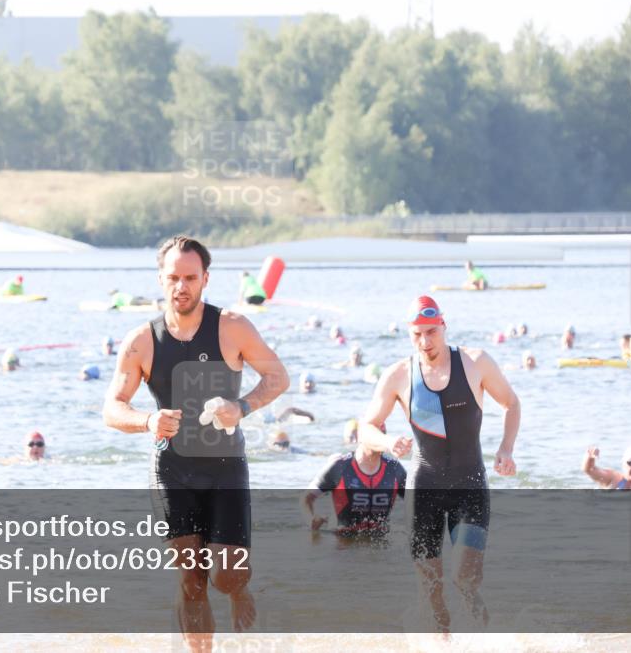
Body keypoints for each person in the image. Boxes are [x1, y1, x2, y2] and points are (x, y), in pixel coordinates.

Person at [102, 236, 289, 650]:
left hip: (225, 468)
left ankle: (240, 589)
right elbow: (112, 409)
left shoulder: (233, 327)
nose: (181, 287)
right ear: (160, 279)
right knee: (190, 578)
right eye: (173, 278)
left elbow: (278, 378)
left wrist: (241, 406)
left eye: (190, 277)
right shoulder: (142, 341)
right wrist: (148, 419)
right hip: (172, 470)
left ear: (206, 278)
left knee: (226, 574)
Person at [357, 295, 520, 633]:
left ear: (443, 326)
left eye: (431, 332)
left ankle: (484, 640)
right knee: (430, 589)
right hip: (424, 489)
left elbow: (511, 403)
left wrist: (506, 449)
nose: (425, 342)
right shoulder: (398, 374)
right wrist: (388, 442)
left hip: (469, 487)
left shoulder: (475, 362)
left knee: (465, 578)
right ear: (409, 334)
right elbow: (366, 427)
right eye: (417, 335)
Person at [302, 426, 407, 537]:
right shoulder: (339, 467)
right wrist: (311, 520)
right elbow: (306, 498)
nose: (379, 439)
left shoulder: (395, 468)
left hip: (379, 542)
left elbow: (418, 501)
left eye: (382, 434)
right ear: (361, 437)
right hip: (341, 543)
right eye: (375, 435)